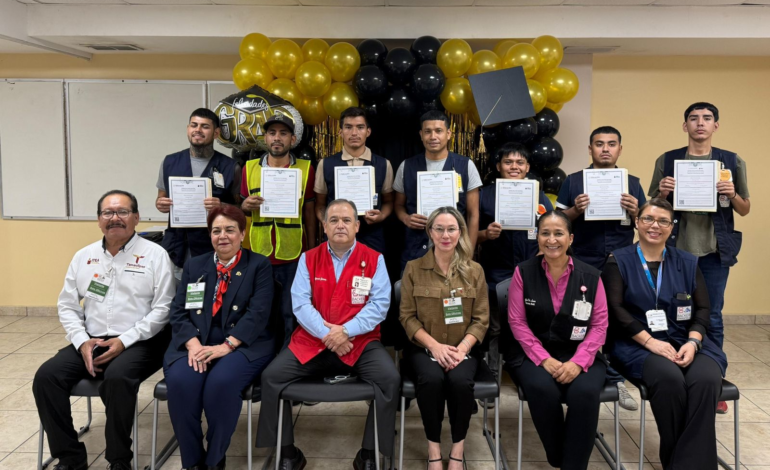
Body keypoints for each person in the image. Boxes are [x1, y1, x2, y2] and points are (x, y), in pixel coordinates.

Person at [33, 190, 175, 470]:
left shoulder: (155, 255)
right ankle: (71, 457)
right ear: (99, 219)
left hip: (141, 341)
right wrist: (81, 341)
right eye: (107, 213)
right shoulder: (83, 256)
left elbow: (164, 309)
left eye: (122, 212)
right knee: (46, 377)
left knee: (117, 378)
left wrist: (124, 341)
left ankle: (119, 459)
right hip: (92, 339)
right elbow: (67, 305)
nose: (115, 218)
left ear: (136, 217)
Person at [256, 199, 399, 470]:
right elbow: (300, 304)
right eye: (334, 220)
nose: (340, 225)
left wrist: (345, 331)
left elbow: (379, 305)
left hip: (359, 342)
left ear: (357, 226)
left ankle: (369, 453)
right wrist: (328, 335)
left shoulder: (374, 259)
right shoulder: (308, 258)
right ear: (324, 226)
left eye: (346, 220)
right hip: (313, 340)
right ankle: (287, 453)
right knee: (271, 377)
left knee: (389, 379)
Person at [602, 198, 727, 469]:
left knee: (706, 380)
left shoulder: (688, 261)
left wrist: (693, 342)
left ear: (672, 227)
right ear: (637, 222)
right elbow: (615, 310)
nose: (655, 226)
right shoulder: (617, 261)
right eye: (648, 219)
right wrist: (651, 343)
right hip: (636, 344)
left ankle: (680, 464)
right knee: (670, 380)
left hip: (686, 340)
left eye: (663, 221)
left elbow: (703, 309)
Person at [649, 102, 749, 413]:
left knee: (712, 316)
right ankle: (675, 375)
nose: (700, 123)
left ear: (715, 126)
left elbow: (745, 208)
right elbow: (652, 206)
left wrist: (732, 194)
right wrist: (663, 193)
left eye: (707, 118)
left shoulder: (731, 161)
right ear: (685, 126)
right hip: (674, 251)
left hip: (713, 252)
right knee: (670, 312)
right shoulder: (668, 160)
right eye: (693, 118)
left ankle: (713, 383)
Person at [163, 205, 275, 470]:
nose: (222, 236)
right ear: (209, 235)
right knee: (181, 383)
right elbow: (178, 310)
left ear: (242, 234)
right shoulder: (195, 265)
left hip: (242, 343)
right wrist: (192, 344)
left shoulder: (258, 265)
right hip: (195, 342)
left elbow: (258, 313)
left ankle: (214, 460)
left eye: (230, 230)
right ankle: (193, 461)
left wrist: (227, 346)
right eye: (216, 231)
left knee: (221, 384)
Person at [505, 210, 608, 470]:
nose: (552, 240)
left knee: (584, 392)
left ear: (570, 238)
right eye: (545, 233)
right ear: (537, 237)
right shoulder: (523, 272)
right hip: (532, 354)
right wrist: (544, 359)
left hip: (580, 352)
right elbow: (517, 322)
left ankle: (573, 465)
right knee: (543, 388)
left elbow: (599, 326)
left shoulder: (591, 276)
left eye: (559, 233)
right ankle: (560, 457)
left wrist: (579, 362)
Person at [556, 126, 645, 411]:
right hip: (583, 259)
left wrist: (636, 211)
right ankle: (579, 370)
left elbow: (648, 225)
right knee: (580, 316)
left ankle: (615, 379)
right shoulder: (573, 181)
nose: (605, 149)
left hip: (620, 261)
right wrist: (575, 210)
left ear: (620, 149)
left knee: (617, 318)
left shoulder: (632, 183)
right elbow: (557, 223)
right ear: (590, 148)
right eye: (599, 144)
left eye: (611, 144)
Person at [399, 206, 489, 470]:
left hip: (464, 349)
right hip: (423, 348)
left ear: (460, 232)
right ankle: (434, 449)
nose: (445, 235)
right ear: (430, 232)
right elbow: (407, 317)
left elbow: (481, 319)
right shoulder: (413, 268)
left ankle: (458, 450)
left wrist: (462, 349)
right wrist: (435, 347)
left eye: (451, 229)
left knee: (460, 382)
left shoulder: (475, 271)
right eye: (439, 229)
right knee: (431, 380)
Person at [477, 142, 552, 383]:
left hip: (531, 271)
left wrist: (543, 251)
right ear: (498, 166)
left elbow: (552, 229)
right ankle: (492, 372)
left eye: (520, 162)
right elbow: (468, 234)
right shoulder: (484, 195)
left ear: (528, 167)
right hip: (494, 271)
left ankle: (525, 370)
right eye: (508, 162)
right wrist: (485, 234)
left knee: (529, 323)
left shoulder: (538, 195)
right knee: (494, 326)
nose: (514, 167)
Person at [241, 113, 317, 347]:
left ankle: (287, 355)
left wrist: (311, 251)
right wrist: (244, 206)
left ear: (292, 139)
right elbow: (241, 209)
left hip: (293, 254)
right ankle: (261, 355)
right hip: (258, 253)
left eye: (283, 133)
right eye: (272, 133)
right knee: (260, 310)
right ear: (265, 138)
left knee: (289, 311)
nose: (277, 138)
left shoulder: (306, 169)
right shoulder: (249, 168)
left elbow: (310, 213)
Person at [156, 108, 242, 279]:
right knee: (175, 292)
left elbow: (241, 209)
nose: (198, 130)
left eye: (205, 126)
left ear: (216, 133)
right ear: (188, 128)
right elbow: (161, 197)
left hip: (212, 246)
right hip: (176, 247)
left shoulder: (231, 166)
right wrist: (160, 204)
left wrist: (221, 206)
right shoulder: (170, 162)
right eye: (194, 125)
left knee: (210, 291)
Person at [394, 111, 482, 270]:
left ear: (448, 134)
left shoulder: (466, 166)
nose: (433, 136)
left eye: (438, 131)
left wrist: (468, 254)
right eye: (427, 131)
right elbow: (398, 205)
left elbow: (473, 214)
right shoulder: (406, 166)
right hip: (415, 249)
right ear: (421, 135)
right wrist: (406, 218)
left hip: (455, 251)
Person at [314, 106, 394, 254]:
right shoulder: (325, 164)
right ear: (340, 132)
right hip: (337, 236)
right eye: (348, 127)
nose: (354, 133)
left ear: (368, 132)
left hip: (372, 235)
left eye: (360, 127)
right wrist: (329, 222)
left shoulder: (384, 164)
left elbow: (388, 201)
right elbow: (320, 204)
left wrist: (381, 216)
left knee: (371, 269)